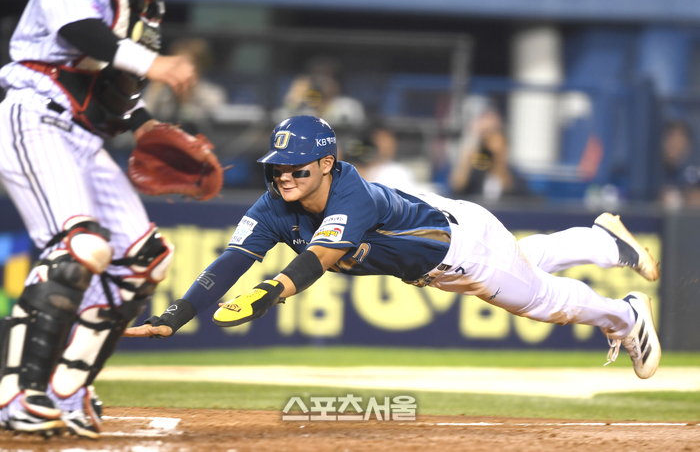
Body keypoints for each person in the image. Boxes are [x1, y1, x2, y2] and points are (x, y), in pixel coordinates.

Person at [126, 116, 662, 387]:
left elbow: (319, 260)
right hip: (449, 234)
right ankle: (600, 240)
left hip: (460, 249)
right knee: (525, 262)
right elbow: (231, 261)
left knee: (541, 300)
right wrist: (177, 315)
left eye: (297, 168)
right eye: (277, 167)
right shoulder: (273, 204)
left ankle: (625, 315)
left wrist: (270, 293)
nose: (284, 176)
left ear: (327, 164)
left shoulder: (350, 194)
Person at [0, 0, 196, 439]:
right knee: (79, 249)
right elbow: (80, 31)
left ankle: (67, 390)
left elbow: (113, 78)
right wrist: (157, 64)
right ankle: (14, 392)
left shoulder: (145, 0)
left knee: (147, 259)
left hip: (84, 135)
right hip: (35, 114)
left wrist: (142, 123)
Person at [449, 108, 529, 201]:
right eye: (484, 135)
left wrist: (499, 157)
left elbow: (511, 190)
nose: (487, 139)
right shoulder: (475, 173)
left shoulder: (515, 176)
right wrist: (466, 159)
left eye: (492, 132)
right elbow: (457, 188)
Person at [658, 120, 700, 209]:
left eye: (680, 140)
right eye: (672, 139)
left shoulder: (694, 171)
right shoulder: (653, 171)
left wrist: (683, 199)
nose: (676, 144)